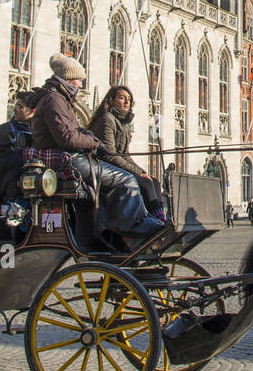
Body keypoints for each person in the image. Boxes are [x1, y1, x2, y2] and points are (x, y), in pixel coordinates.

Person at [31, 54, 162, 238]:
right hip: (67, 160)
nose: (80, 85)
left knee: (137, 179)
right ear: (67, 78)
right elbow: (67, 138)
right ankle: (132, 225)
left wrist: (87, 137)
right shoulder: (55, 99)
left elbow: (72, 134)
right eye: (78, 79)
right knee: (126, 179)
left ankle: (110, 233)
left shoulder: (61, 99)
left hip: (70, 157)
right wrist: (94, 142)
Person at [90, 85, 167, 223]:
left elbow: (125, 155)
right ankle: (158, 221)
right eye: (122, 98)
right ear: (111, 100)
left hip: (115, 164)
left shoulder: (122, 123)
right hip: (104, 166)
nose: (127, 102)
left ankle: (160, 218)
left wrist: (141, 171)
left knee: (153, 181)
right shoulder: (107, 119)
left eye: (129, 99)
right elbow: (109, 155)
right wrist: (137, 172)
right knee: (145, 184)